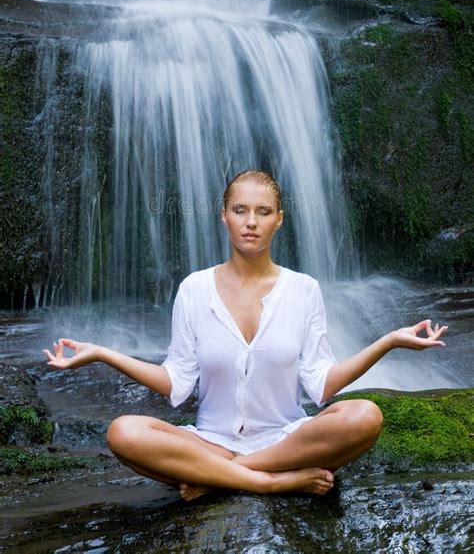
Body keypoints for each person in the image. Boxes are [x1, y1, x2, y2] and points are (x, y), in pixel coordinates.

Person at [43, 169, 448, 501]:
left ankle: (221, 478)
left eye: (262, 211)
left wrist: (388, 342)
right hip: (210, 442)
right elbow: (176, 383)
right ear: (224, 215)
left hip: (286, 441)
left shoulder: (304, 289)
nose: (251, 221)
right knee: (123, 432)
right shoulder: (194, 289)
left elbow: (321, 384)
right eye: (240, 210)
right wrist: (101, 353)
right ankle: (270, 481)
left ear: (279, 219)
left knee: (365, 416)